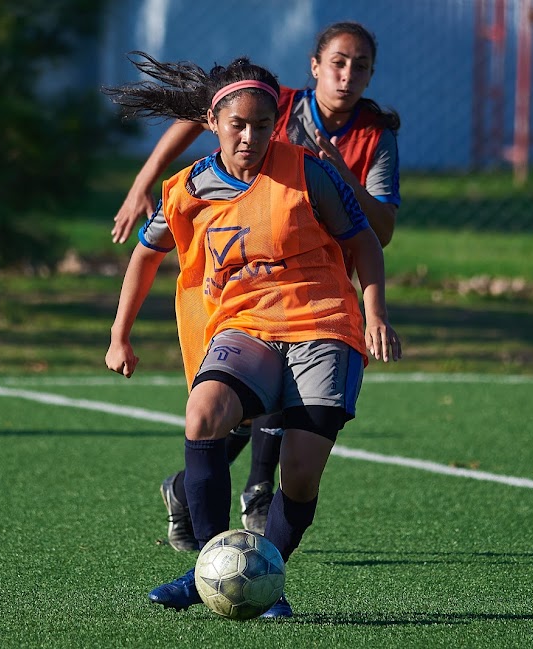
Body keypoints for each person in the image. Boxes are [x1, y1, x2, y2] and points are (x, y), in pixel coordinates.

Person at [103, 52, 401, 618]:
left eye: (261, 125)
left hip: (322, 323)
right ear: (212, 124)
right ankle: (207, 573)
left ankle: (268, 577)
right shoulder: (190, 186)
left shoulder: (309, 171)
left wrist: (376, 313)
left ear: (274, 126)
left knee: (302, 472)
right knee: (204, 413)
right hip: (246, 326)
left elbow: (365, 243)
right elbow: (146, 254)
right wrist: (120, 335)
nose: (249, 136)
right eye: (237, 124)